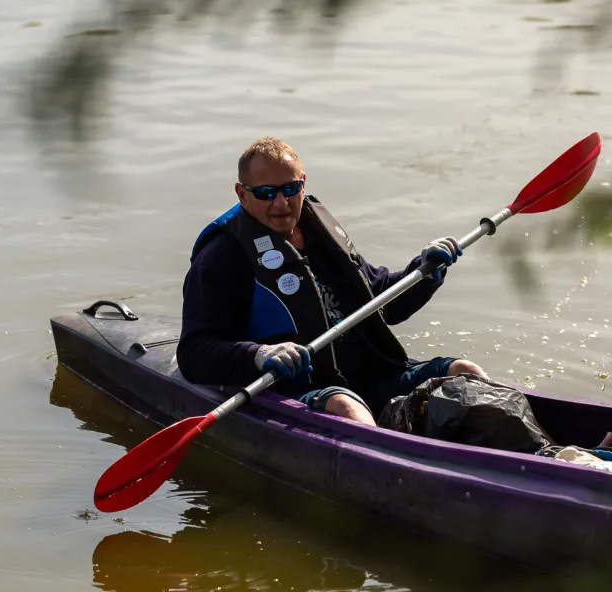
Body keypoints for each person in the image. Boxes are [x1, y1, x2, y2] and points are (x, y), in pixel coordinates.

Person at [177, 136, 488, 426]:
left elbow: (382, 302)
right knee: (348, 409)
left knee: (465, 373)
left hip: (377, 373)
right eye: (266, 193)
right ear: (242, 194)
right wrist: (261, 355)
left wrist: (425, 272)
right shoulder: (222, 255)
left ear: (303, 183)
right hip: (308, 388)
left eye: (290, 189)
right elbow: (194, 353)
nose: (281, 204)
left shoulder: (319, 231)